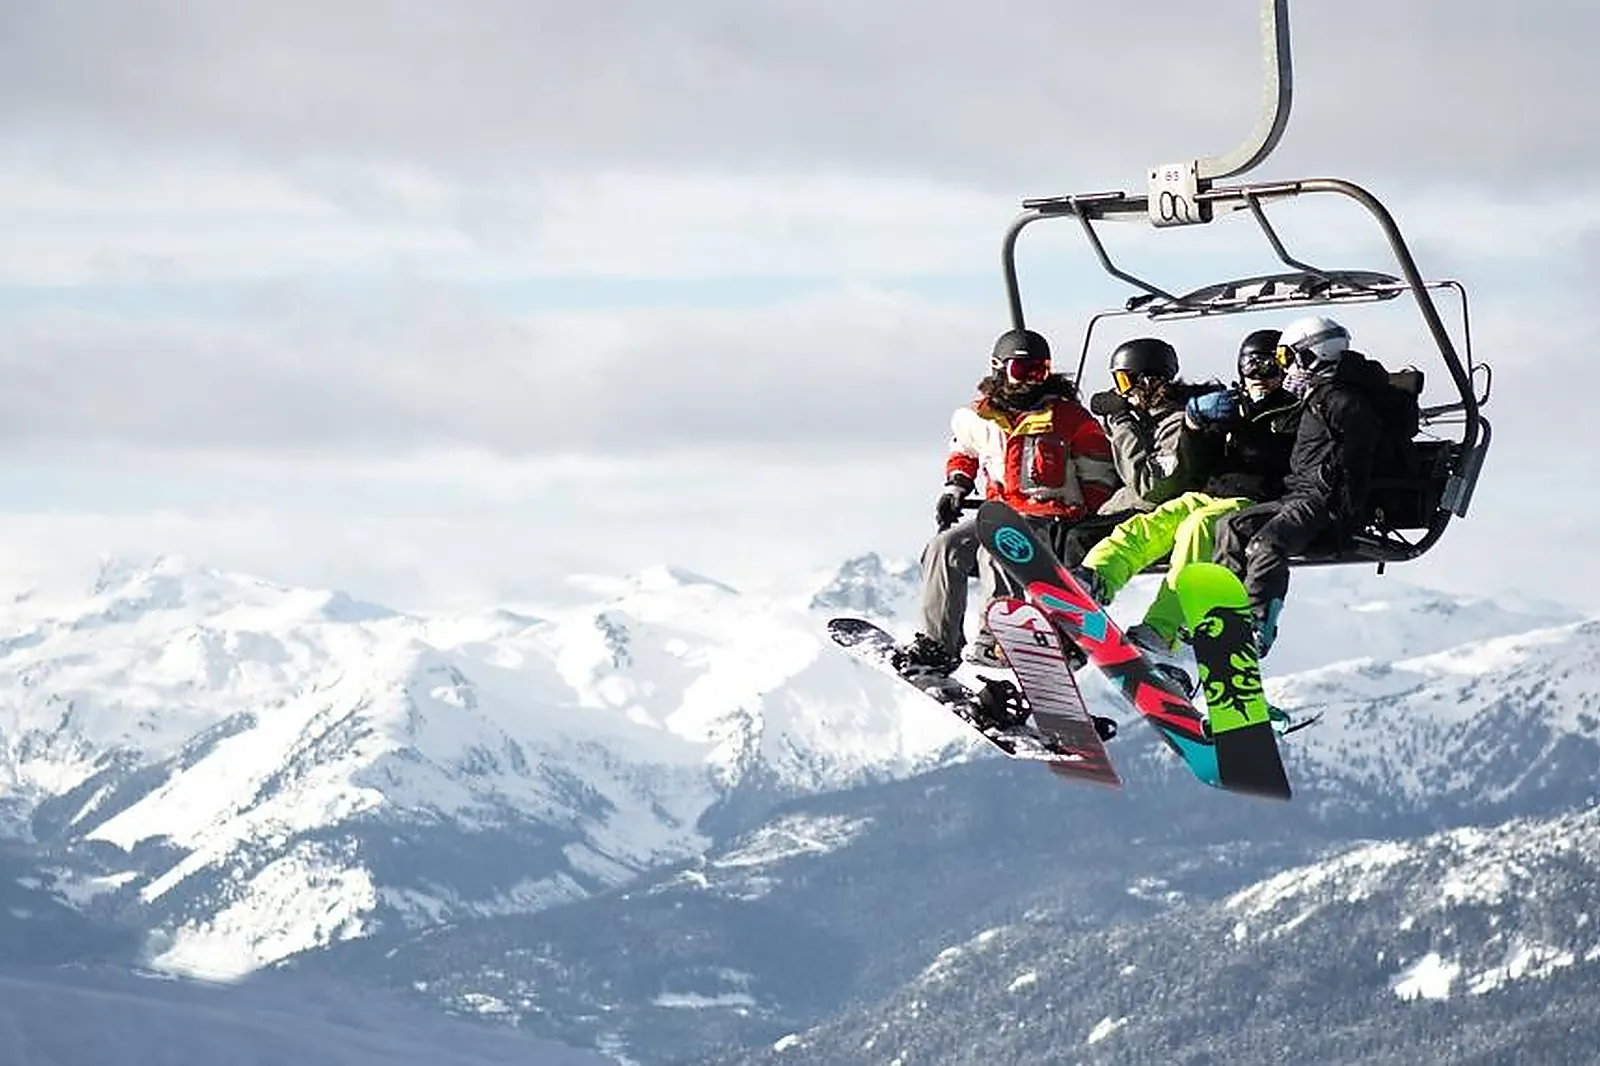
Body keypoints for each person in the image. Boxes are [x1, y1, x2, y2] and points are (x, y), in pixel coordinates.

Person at [895, 328, 1118, 674]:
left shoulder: (1068, 419)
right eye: (1021, 371)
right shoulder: (978, 417)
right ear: (999, 368)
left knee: (999, 543)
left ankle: (1000, 636)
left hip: (1050, 519)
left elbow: (1099, 473)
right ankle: (939, 643)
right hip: (1000, 512)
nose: (1030, 381)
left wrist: (1081, 518)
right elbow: (964, 452)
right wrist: (956, 486)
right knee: (944, 546)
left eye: (1039, 372)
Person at [1069, 328, 1303, 655]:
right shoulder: (1232, 407)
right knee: (1151, 524)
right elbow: (1198, 463)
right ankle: (1095, 577)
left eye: (1270, 367)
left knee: (1199, 528)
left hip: (1257, 501)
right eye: (1251, 367)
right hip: (1211, 493)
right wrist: (1197, 427)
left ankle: (1163, 629)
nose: (1259, 376)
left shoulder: (1296, 412)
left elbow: (1294, 463)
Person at [1212, 314, 1390, 655]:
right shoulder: (1318, 396)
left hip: (1326, 500)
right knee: (1231, 526)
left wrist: (1346, 511)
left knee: (1267, 544)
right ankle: (1224, 612)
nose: (1285, 369)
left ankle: (1256, 624)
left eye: (1286, 358)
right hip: (1300, 494)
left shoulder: (1344, 401)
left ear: (1312, 355)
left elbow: (1357, 459)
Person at [1056, 337, 1206, 568]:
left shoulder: (1177, 424)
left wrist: (1121, 421)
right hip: (1129, 509)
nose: (1119, 391)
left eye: (1124, 381)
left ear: (1147, 381)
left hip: (1160, 516)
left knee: (1080, 540)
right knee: (1059, 532)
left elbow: (1150, 488)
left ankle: (1084, 596)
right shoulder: (1146, 420)